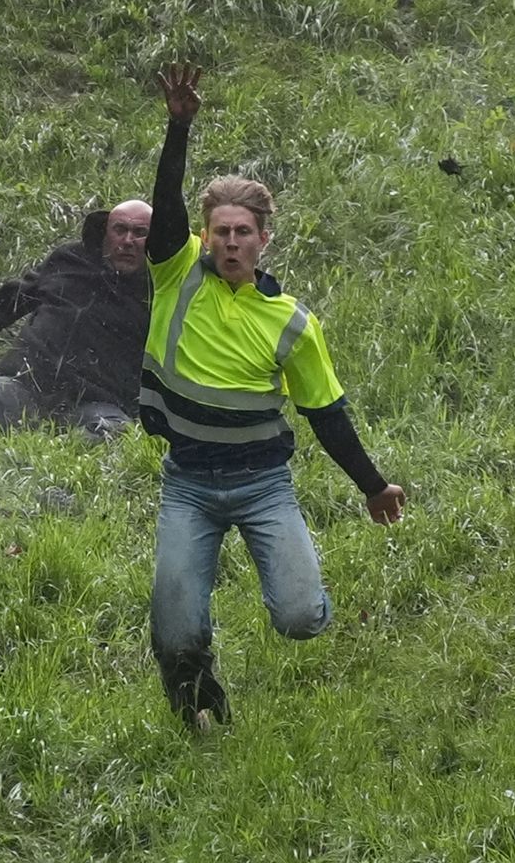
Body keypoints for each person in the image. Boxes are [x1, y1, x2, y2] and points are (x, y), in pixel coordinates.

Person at [142, 64, 407, 731]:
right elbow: (166, 203)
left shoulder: (292, 321)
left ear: (263, 239)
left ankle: (301, 598)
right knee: (174, 631)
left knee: (298, 620)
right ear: (205, 236)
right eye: (220, 231)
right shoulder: (177, 275)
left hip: (262, 483)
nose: (229, 242)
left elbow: (326, 414)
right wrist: (179, 126)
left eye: (242, 233)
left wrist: (373, 487)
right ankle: (199, 696)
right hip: (189, 484)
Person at [0, 200, 153, 458]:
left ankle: (41, 469)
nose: (128, 240)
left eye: (140, 233)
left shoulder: (160, 289)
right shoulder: (70, 259)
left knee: (116, 438)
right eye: (120, 229)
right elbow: (14, 297)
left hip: (97, 400)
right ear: (106, 232)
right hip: (26, 379)